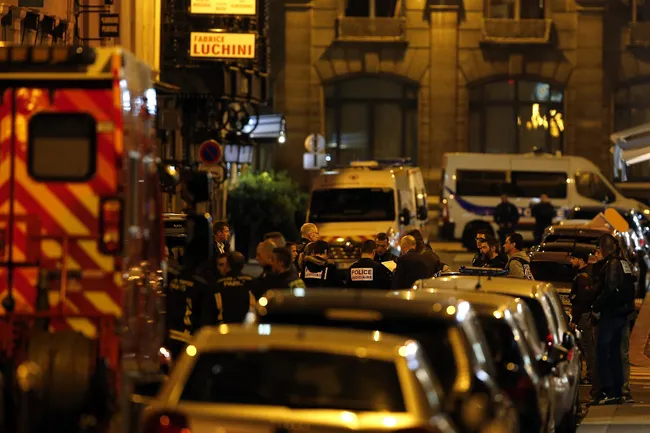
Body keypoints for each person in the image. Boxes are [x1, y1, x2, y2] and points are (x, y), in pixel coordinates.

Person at [591, 234, 636, 405]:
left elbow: (610, 287)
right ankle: (619, 391)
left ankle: (609, 390)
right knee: (618, 353)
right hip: (623, 314)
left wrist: (597, 306)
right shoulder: (624, 263)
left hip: (611, 314)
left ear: (603, 248)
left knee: (604, 352)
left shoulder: (612, 264)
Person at [568, 249, 598, 391]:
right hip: (583, 314)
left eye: (573, 258)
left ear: (581, 260)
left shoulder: (583, 276)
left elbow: (581, 300)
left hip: (583, 315)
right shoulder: (582, 274)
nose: (570, 261)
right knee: (584, 346)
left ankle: (591, 375)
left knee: (587, 346)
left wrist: (574, 319)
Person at [214, 252, 255, 323]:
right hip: (246, 326)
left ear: (228, 265)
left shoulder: (218, 284)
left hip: (225, 326)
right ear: (243, 265)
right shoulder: (251, 281)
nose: (223, 267)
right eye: (221, 265)